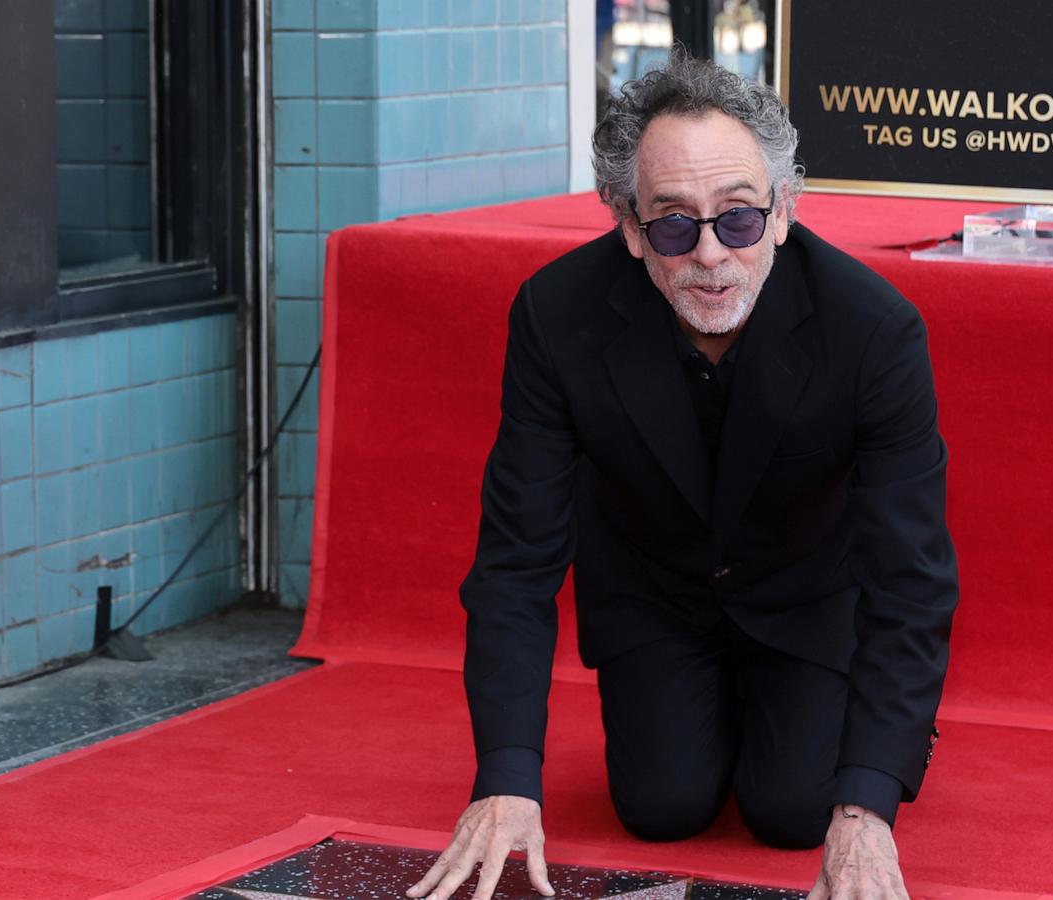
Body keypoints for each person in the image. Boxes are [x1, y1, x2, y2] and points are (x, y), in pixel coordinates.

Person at [407, 51, 958, 900]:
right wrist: (505, 778)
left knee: (796, 810)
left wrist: (868, 807)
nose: (709, 255)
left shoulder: (874, 331)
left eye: (737, 218)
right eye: (673, 224)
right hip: (654, 592)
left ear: (784, 213)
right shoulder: (556, 317)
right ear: (630, 228)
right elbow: (517, 560)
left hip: (808, 598)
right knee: (661, 805)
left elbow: (912, 577)